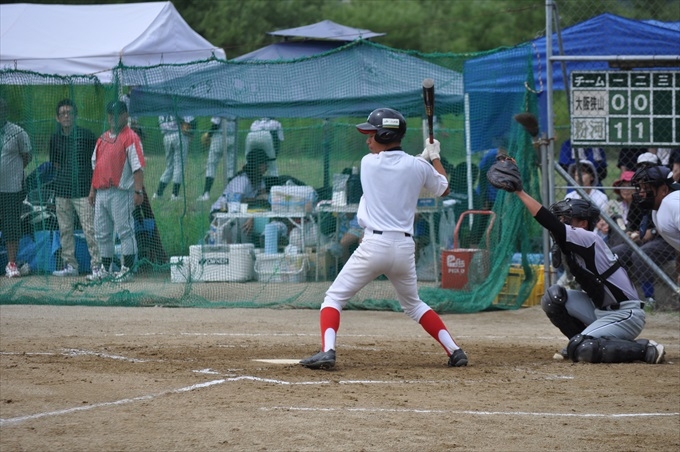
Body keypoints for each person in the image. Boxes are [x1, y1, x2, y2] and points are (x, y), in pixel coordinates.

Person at [300, 107, 468, 369]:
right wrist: (433, 157)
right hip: (404, 248)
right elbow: (443, 188)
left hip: (374, 246)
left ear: (385, 135)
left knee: (333, 298)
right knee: (414, 305)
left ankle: (328, 350)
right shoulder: (417, 166)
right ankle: (454, 350)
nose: (368, 140)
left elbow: (399, 166)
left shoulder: (368, 163)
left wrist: (422, 159)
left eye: (372, 134)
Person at [486, 157, 665, 364]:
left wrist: (520, 192)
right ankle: (580, 341)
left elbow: (549, 222)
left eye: (567, 219)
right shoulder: (576, 243)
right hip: (601, 310)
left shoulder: (586, 237)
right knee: (553, 298)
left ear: (582, 223)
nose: (562, 222)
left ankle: (645, 349)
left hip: (625, 314)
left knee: (584, 349)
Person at [89, 101, 145, 282]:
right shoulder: (102, 139)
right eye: (111, 114)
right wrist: (92, 191)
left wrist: (138, 191)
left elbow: (138, 167)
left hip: (121, 192)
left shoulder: (131, 137)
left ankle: (127, 269)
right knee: (102, 233)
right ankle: (105, 269)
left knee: (125, 231)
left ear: (125, 115)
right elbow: (96, 167)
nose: (114, 117)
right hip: (102, 191)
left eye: (118, 113)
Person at [49, 99, 102, 278]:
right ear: (57, 118)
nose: (66, 116)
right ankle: (70, 265)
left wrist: (93, 189)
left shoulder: (86, 136)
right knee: (65, 229)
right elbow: (55, 164)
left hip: (83, 191)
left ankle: (97, 266)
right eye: (62, 113)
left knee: (90, 229)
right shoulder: (55, 138)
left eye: (69, 113)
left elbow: (96, 163)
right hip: (62, 191)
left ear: (75, 115)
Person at [209, 148, 272, 244]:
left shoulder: (260, 181)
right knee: (242, 222)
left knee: (246, 220)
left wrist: (262, 200)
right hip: (221, 211)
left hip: (239, 212)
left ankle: (245, 247)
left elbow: (262, 200)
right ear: (257, 165)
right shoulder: (242, 180)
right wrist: (256, 200)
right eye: (264, 164)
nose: (267, 166)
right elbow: (236, 202)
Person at [0, 97, 32, 278]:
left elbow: (27, 156)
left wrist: (13, 172)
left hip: (11, 188)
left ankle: (12, 264)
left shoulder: (18, 132)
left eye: (1, 109)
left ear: (5, 111)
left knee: (11, 225)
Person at [630, 165, 680, 280]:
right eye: (640, 188)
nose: (641, 193)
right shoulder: (658, 208)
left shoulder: (673, 204)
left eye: (646, 188)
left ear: (664, 190)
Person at [153, 113, 195, 201]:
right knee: (179, 165)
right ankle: (175, 195)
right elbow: (188, 120)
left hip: (166, 137)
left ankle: (158, 193)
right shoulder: (177, 106)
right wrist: (191, 134)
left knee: (170, 166)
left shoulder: (161, 109)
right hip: (178, 135)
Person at [197, 116, 237, 201]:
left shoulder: (220, 107)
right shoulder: (236, 106)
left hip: (220, 137)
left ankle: (206, 193)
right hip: (233, 137)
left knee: (211, 165)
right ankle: (230, 194)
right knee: (230, 167)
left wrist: (208, 135)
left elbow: (216, 123)